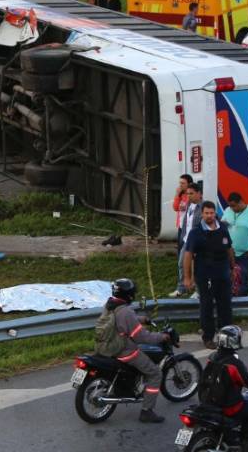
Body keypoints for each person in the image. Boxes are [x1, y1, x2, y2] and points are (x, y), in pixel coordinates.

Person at [94, 278, 170, 423]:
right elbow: (142, 337)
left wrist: (142, 319)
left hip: (105, 346)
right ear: (128, 295)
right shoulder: (126, 311)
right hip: (123, 351)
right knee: (155, 373)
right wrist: (162, 337)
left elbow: (124, 320)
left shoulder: (110, 305)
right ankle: (147, 411)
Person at [200, 325, 248, 452]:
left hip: (209, 401)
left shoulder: (212, 357)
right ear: (234, 341)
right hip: (228, 406)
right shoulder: (234, 363)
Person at [183, 200, 236, 348]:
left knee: (225, 306)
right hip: (204, 275)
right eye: (206, 213)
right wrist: (187, 277)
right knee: (206, 306)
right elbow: (188, 255)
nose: (209, 216)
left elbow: (229, 249)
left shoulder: (223, 229)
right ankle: (208, 337)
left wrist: (233, 268)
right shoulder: (196, 232)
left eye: (212, 213)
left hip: (223, 274)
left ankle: (227, 336)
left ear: (215, 214)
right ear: (202, 214)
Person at [221, 193, 248, 297]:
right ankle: (229, 297)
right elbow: (222, 226)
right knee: (228, 275)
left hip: (245, 253)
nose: (232, 208)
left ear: (241, 202)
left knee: (242, 276)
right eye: (230, 206)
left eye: (234, 206)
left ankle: (242, 300)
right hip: (229, 252)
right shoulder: (227, 210)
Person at [169, 175, 194, 298]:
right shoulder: (181, 195)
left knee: (189, 259)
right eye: (180, 183)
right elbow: (175, 207)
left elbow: (184, 207)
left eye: (183, 183)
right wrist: (177, 195)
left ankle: (190, 284)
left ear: (189, 184)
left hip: (190, 232)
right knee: (181, 258)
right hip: (182, 229)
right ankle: (182, 285)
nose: (180, 185)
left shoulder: (191, 197)